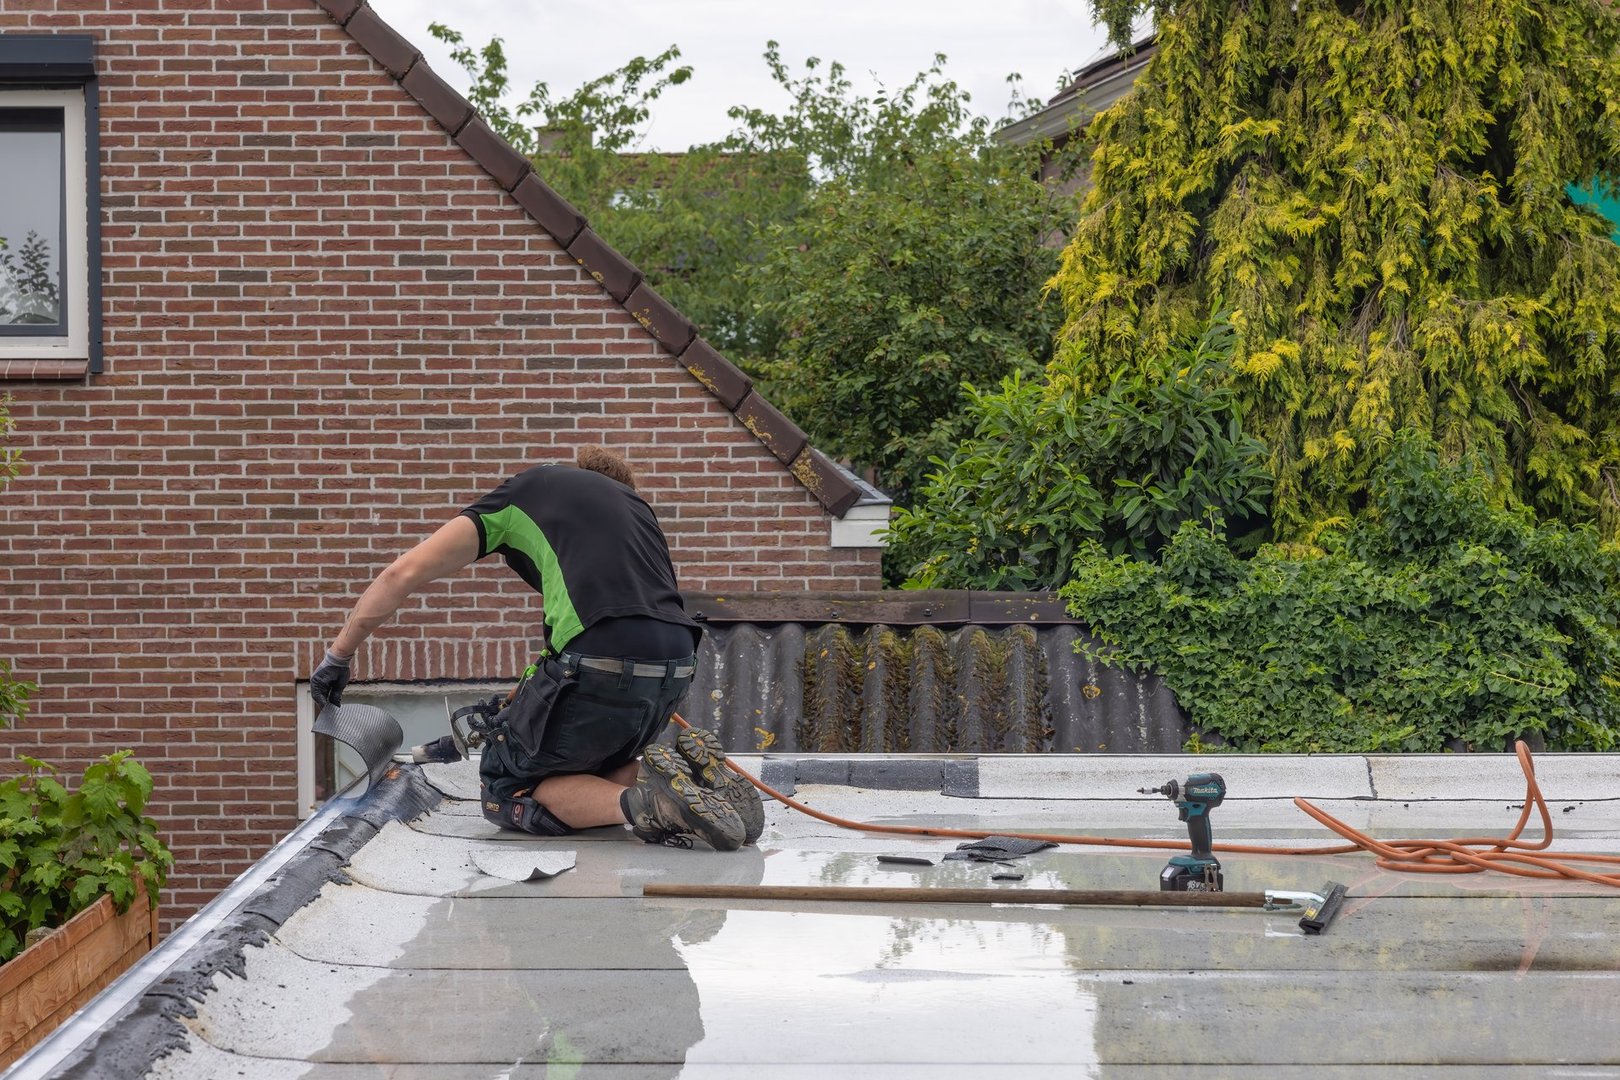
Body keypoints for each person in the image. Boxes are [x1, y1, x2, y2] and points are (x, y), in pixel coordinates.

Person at [308, 446, 764, 851]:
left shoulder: (526, 491)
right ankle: (694, 784)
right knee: (594, 768)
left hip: (600, 660)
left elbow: (401, 573)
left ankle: (658, 803)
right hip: (678, 664)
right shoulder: (636, 509)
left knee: (506, 786)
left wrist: (338, 657)